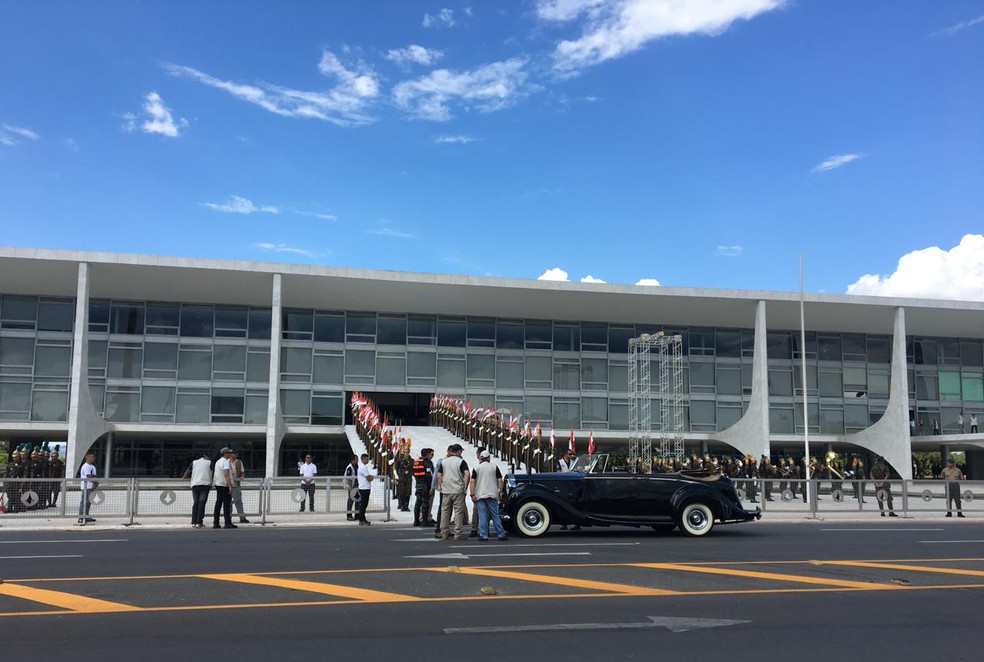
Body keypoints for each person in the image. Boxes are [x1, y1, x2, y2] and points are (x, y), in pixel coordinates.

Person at [470, 450, 508, 541]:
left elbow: (472, 481)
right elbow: (500, 480)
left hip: (480, 495)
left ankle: (483, 535)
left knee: (482, 515)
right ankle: (501, 534)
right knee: (495, 515)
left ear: (481, 458)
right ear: (488, 458)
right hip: (492, 494)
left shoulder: (476, 467)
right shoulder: (494, 467)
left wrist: (472, 493)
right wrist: (500, 491)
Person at [436, 444, 470, 541]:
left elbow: (439, 475)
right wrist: (465, 487)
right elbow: (467, 475)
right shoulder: (461, 462)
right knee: (458, 512)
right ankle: (458, 533)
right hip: (457, 490)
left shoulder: (444, 462)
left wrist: (441, 485)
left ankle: (444, 533)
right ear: (458, 451)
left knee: (445, 511)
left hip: (446, 490)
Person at [186, 450, 212, 528]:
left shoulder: (194, 462)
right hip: (205, 484)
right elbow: (213, 471)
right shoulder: (209, 463)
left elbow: (188, 471)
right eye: (209, 456)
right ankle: (199, 521)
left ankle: (193, 521)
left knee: (196, 503)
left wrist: (184, 477)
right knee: (202, 503)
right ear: (205, 456)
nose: (209, 458)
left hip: (195, 484)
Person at [212, 447, 237, 529]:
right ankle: (227, 522)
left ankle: (216, 522)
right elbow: (226, 474)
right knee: (226, 504)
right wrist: (230, 486)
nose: (230, 454)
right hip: (224, 485)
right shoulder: (226, 462)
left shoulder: (218, 462)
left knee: (218, 503)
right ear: (225, 453)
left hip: (218, 484)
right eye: (229, 453)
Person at [412, 448, 435, 526]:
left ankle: (416, 521)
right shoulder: (427, 462)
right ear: (427, 454)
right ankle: (425, 521)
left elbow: (413, 473)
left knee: (418, 503)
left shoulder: (416, 461)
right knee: (425, 503)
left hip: (418, 485)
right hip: (425, 485)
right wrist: (431, 486)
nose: (432, 456)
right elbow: (429, 475)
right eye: (431, 454)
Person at [77, 451, 98, 525]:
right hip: (86, 487)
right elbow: (88, 476)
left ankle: (86, 516)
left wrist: (95, 484)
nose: (93, 458)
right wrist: (95, 482)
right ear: (87, 457)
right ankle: (81, 517)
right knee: (84, 502)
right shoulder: (85, 466)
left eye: (94, 457)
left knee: (88, 502)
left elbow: (94, 476)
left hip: (91, 487)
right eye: (92, 457)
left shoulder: (92, 466)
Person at [229, 450, 249, 523]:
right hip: (228, 484)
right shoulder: (226, 462)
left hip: (236, 484)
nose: (236, 454)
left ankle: (242, 518)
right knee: (229, 502)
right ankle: (229, 518)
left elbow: (242, 471)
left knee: (238, 501)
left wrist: (242, 477)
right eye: (234, 453)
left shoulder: (239, 462)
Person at [356, 453, 375, 525]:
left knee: (364, 504)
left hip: (364, 487)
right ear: (363, 459)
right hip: (364, 488)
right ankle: (362, 519)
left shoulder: (362, 467)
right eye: (367, 459)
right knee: (363, 504)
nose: (368, 461)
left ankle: (362, 518)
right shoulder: (363, 467)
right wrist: (371, 477)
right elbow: (369, 478)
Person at [395, 447, 413, 512]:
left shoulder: (411, 460)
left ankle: (406, 505)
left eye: (407, 452)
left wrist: (410, 473)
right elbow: (396, 468)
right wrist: (400, 473)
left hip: (408, 479)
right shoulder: (400, 460)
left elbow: (412, 469)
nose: (406, 454)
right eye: (405, 452)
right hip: (402, 478)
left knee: (408, 493)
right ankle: (402, 505)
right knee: (402, 492)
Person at [343, 454, 359, 521]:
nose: (357, 460)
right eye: (356, 459)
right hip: (351, 486)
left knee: (357, 500)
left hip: (356, 486)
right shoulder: (349, 467)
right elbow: (349, 479)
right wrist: (350, 488)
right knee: (350, 501)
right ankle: (349, 515)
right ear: (353, 460)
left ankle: (357, 515)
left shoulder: (356, 466)